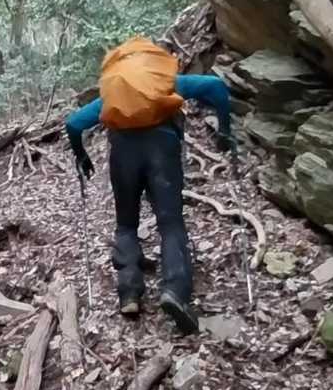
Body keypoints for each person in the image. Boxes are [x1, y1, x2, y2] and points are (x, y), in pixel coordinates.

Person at [65, 43, 234, 334]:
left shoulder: (114, 93)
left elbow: (74, 124)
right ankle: (175, 291)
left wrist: (82, 156)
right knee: (170, 223)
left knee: (126, 224)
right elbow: (216, 87)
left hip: (123, 154)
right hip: (162, 149)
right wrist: (224, 132)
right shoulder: (166, 81)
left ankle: (129, 293)